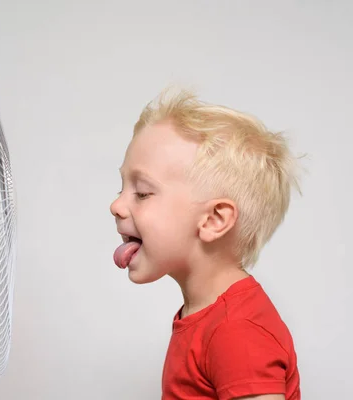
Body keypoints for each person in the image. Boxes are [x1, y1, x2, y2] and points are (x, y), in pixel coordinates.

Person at [110, 87, 301, 400]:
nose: (116, 205)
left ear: (214, 220)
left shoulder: (236, 331)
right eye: (121, 187)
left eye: (142, 192)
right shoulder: (206, 315)